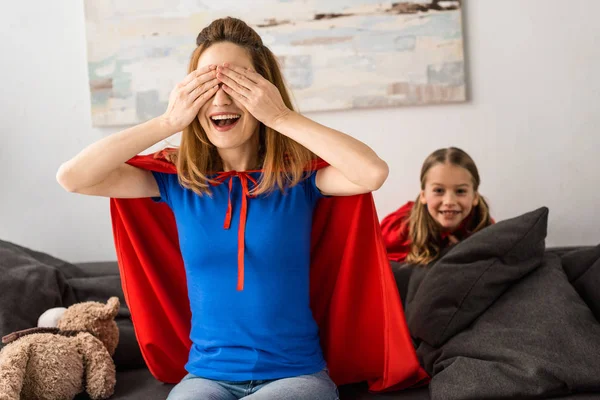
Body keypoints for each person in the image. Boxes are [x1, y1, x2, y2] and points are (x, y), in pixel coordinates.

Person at [57, 17, 389, 400]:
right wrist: (168, 120)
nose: (221, 99)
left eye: (238, 84)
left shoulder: (299, 179)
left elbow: (372, 173)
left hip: (295, 376)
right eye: (207, 85)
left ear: (264, 91)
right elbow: (73, 177)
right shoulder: (175, 181)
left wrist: (281, 116)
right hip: (205, 379)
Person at [380, 147, 493, 265]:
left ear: (475, 197)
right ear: (423, 195)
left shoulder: (485, 227)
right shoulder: (398, 230)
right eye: (439, 190)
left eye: (460, 191)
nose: (449, 201)